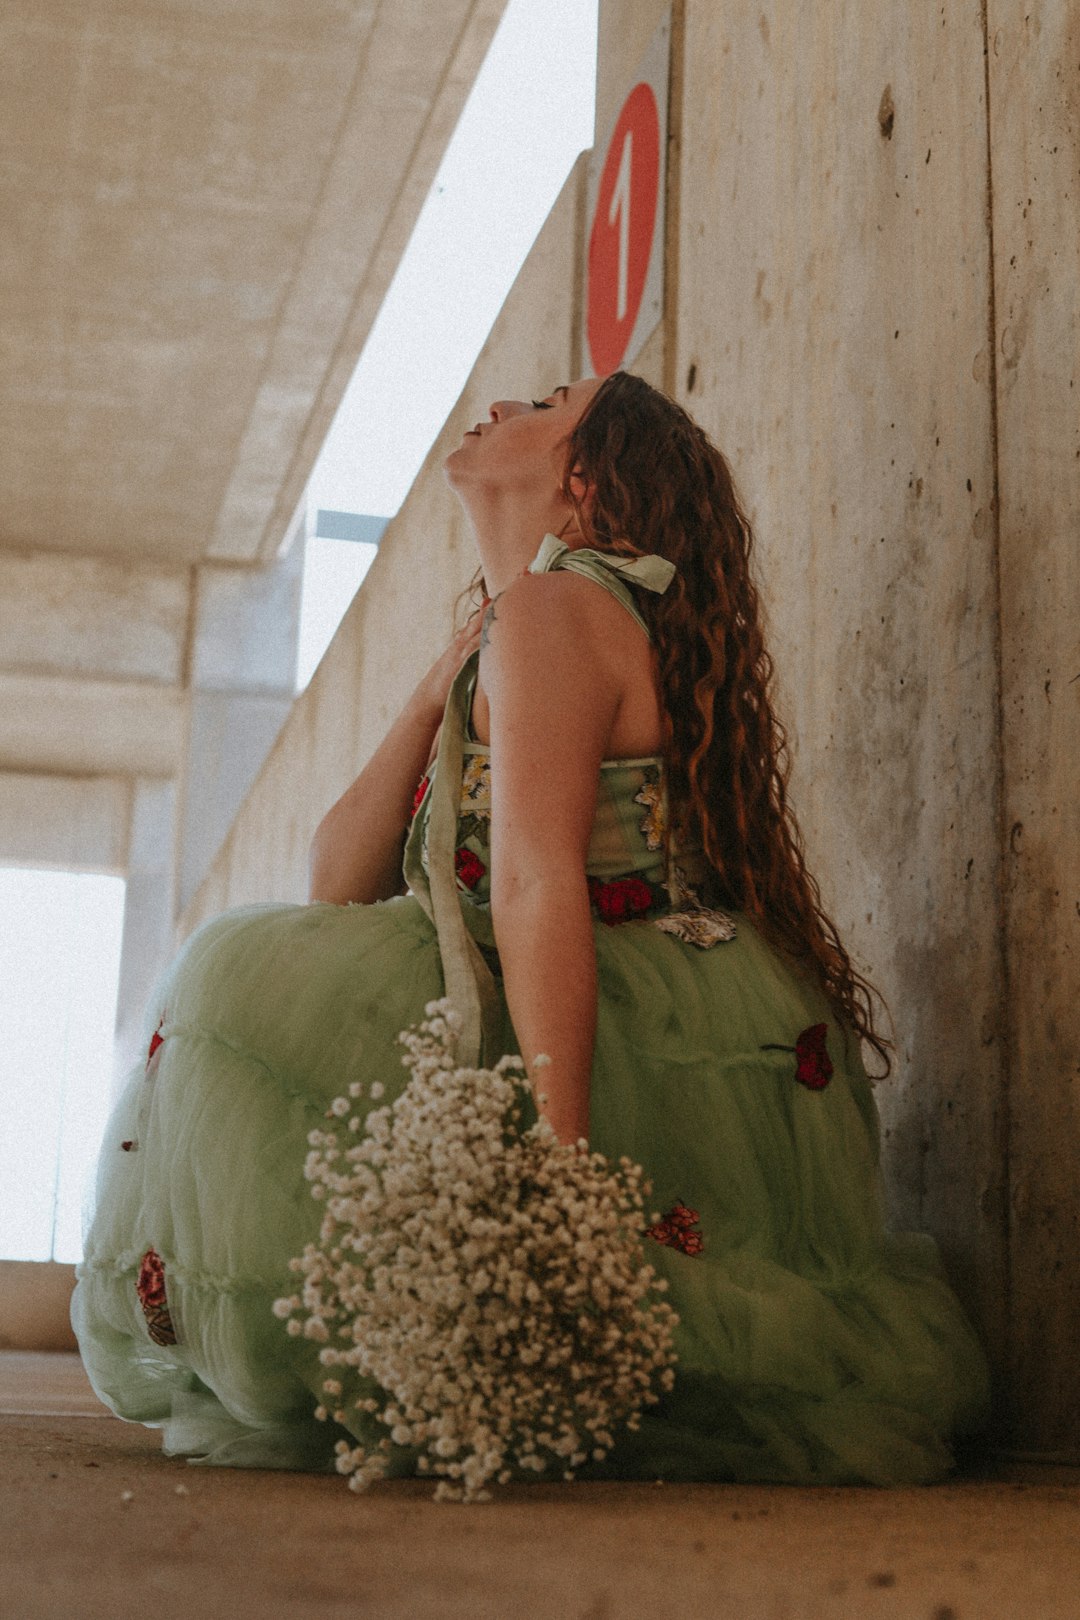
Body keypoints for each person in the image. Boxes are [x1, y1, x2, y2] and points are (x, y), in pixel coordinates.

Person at [72, 372, 991, 1484]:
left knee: (229, 987)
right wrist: (430, 690)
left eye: (550, 400)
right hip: (551, 966)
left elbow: (540, 882)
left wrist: (562, 1180)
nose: (503, 401)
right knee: (249, 975)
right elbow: (337, 882)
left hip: (604, 999)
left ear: (584, 482)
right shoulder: (530, 617)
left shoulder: (562, 611)